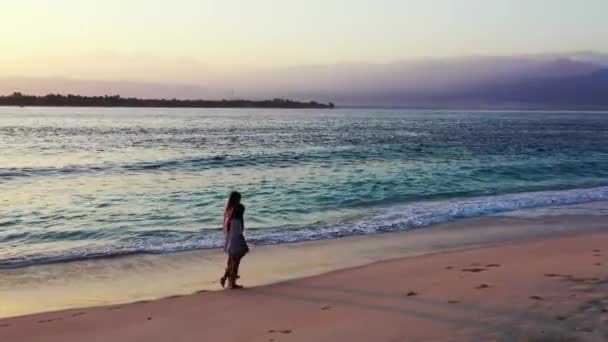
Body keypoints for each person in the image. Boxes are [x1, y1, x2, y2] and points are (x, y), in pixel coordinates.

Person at [220, 191, 249, 289]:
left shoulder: (228, 210)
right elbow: (238, 231)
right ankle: (232, 281)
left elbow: (228, 228)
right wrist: (242, 241)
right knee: (236, 259)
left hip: (229, 238)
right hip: (235, 238)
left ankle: (227, 277)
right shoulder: (237, 214)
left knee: (232, 259)